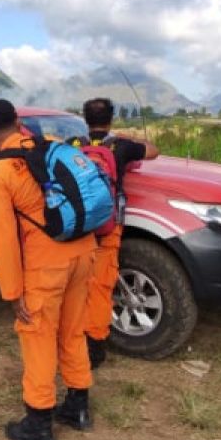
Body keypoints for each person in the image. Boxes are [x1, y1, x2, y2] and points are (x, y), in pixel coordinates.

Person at [0, 99, 97, 440]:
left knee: (38, 336)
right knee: (73, 330)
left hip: (46, 265)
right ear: (19, 122)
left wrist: (12, 292)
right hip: (83, 250)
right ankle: (78, 407)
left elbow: (2, 239)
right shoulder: (48, 146)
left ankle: (38, 422)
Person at [78, 98, 159, 369]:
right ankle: (95, 346)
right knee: (101, 286)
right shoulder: (120, 147)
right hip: (107, 228)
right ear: (111, 119)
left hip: (77, 229)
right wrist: (126, 138)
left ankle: (71, 337)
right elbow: (153, 151)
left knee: (76, 285)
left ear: (84, 119)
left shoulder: (73, 145)